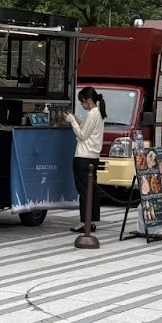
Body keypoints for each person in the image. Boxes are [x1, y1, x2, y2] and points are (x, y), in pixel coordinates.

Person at [67, 87, 105, 232]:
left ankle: (84, 221)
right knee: (91, 190)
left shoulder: (92, 114)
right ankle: (91, 220)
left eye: (82, 102)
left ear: (89, 100)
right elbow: (88, 130)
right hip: (93, 157)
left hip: (83, 156)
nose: (82, 105)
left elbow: (82, 135)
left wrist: (72, 121)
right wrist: (78, 120)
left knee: (84, 191)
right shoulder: (97, 113)